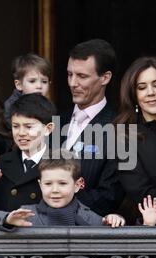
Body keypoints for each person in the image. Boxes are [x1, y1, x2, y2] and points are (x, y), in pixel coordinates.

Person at [0, 151, 125, 258]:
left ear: (78, 184)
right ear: (40, 185)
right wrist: (7, 219)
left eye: (62, 183)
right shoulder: (27, 213)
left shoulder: (90, 217)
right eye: (48, 184)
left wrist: (116, 219)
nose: (55, 190)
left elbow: (113, 247)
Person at [60, 38, 124, 216]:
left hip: (88, 234)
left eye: (82, 76)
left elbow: (109, 195)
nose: (73, 83)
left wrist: (58, 207)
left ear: (105, 78)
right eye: (69, 74)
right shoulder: (55, 121)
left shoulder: (121, 128)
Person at [114, 56, 156, 224]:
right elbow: (141, 194)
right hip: (155, 230)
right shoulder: (124, 138)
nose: (150, 92)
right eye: (142, 88)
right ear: (134, 95)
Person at [0, 93, 56, 212]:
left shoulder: (60, 164)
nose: (21, 133)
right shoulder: (0, 164)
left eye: (28, 127)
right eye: (16, 126)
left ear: (48, 129)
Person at [3, 53, 52, 125]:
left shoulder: (50, 107)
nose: (39, 86)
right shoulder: (10, 107)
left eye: (44, 82)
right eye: (32, 81)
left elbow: (55, 135)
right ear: (19, 85)